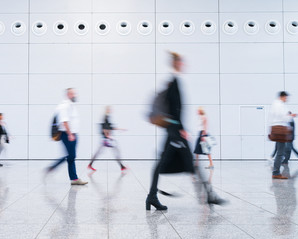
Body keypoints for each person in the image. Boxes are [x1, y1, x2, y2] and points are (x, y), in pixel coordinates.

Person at [146, 52, 225, 211]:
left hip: (173, 131)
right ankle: (208, 195)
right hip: (175, 132)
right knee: (189, 163)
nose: (184, 65)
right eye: (182, 62)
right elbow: (175, 109)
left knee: (169, 163)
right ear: (176, 63)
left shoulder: (174, 81)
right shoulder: (174, 82)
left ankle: (152, 196)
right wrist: (180, 128)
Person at [46, 88, 87, 185]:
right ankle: (53, 167)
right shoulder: (64, 106)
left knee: (70, 157)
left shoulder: (70, 105)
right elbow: (64, 121)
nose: (75, 95)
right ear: (68, 94)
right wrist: (70, 134)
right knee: (70, 156)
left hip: (72, 134)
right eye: (73, 94)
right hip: (68, 134)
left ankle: (74, 179)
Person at [87, 106, 127, 171]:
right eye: (109, 109)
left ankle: (90, 164)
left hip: (106, 138)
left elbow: (110, 127)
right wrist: (107, 136)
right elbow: (104, 128)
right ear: (107, 110)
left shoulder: (107, 117)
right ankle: (122, 166)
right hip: (106, 139)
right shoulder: (105, 117)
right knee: (116, 151)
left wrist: (120, 129)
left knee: (99, 152)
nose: (111, 110)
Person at [269, 91, 296, 179]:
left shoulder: (275, 103)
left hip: (276, 128)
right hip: (280, 129)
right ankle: (276, 172)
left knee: (280, 151)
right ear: (282, 97)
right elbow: (283, 116)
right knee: (280, 152)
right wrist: (290, 116)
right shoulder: (280, 105)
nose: (286, 99)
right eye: (286, 98)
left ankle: (276, 172)